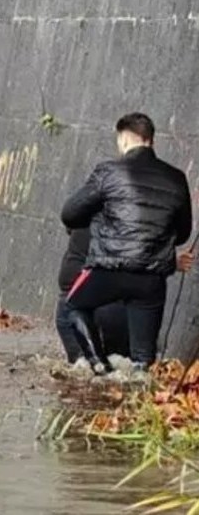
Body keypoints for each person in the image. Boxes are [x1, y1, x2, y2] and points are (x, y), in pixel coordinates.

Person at [59, 112, 192, 374]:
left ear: (122, 139)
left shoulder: (108, 171)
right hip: (151, 278)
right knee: (143, 358)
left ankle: (99, 367)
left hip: (109, 269)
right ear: (150, 140)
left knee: (72, 306)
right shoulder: (177, 178)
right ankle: (141, 401)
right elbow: (184, 233)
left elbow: (70, 214)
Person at [55, 227, 194, 363]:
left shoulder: (82, 208)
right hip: (113, 305)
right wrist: (170, 261)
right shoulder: (131, 215)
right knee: (122, 375)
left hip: (69, 303)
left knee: (83, 372)